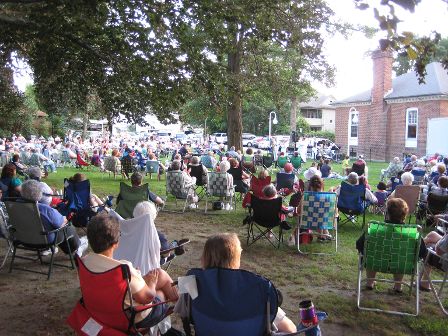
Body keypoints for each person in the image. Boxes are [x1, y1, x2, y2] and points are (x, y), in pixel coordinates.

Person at [180, 233, 298, 333]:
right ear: (237, 259)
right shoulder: (259, 291)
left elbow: (182, 312)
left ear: (204, 257)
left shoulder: (190, 281)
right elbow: (291, 330)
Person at [82, 214, 178, 329]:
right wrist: (151, 284)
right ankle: (182, 304)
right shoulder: (123, 268)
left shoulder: (84, 262)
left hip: (101, 311)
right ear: (116, 243)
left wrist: (136, 277)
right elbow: (148, 298)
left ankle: (181, 302)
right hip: (129, 318)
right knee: (160, 293)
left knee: (160, 273)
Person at [357, 198, 417, 293]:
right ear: (404, 215)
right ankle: (398, 285)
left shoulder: (374, 230)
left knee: (371, 253)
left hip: (375, 260)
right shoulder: (412, 234)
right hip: (400, 264)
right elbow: (421, 252)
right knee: (400, 256)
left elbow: (359, 245)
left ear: (387, 213)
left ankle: (370, 282)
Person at [21, 180, 88, 257]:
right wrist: (64, 218)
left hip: (24, 239)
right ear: (39, 193)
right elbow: (60, 223)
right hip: (44, 241)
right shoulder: (44, 209)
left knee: (54, 225)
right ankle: (78, 247)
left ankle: (54, 248)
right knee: (68, 226)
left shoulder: (15, 206)